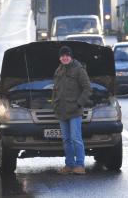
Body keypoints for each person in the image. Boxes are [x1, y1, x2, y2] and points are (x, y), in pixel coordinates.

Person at [52, 46, 91, 175]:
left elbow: (87, 88)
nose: (65, 57)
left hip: (74, 111)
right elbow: (55, 89)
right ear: (59, 58)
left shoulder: (79, 70)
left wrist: (79, 103)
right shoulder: (59, 70)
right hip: (62, 111)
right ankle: (69, 165)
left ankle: (80, 165)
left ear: (71, 56)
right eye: (62, 56)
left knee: (76, 139)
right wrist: (54, 104)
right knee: (66, 140)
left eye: (67, 55)